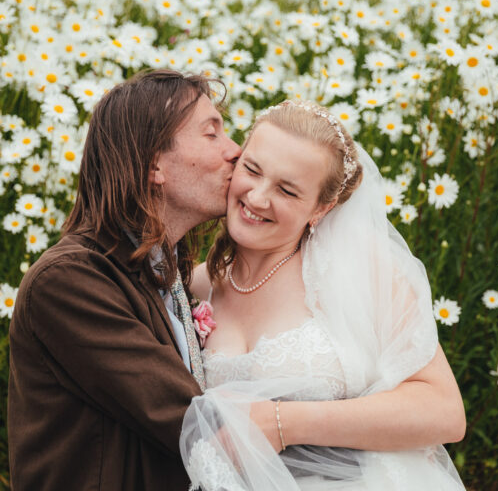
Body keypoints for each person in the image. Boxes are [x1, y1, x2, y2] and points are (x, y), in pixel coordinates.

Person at [180, 100, 467, 490]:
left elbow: (444, 412)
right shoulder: (198, 286)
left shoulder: (356, 269)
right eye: (252, 169)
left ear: (322, 208)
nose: (258, 198)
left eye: (287, 190)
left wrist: (282, 423)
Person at [7, 69, 242, 490]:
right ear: (154, 163)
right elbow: (194, 422)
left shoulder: (165, 272)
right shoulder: (69, 281)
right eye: (212, 134)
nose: (236, 151)